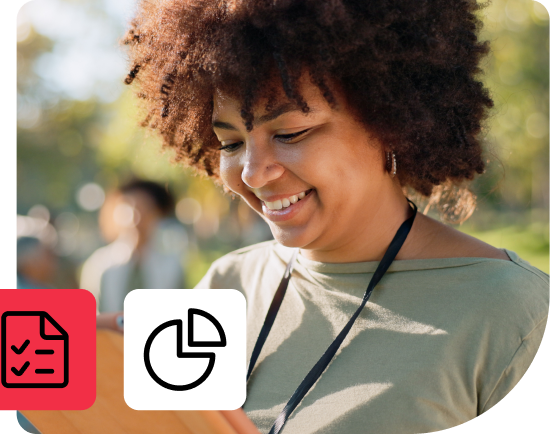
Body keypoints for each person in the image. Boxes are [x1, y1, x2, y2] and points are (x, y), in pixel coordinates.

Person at [122, 1, 549, 433]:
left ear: (391, 121)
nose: (252, 172)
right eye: (230, 143)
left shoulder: (514, 314)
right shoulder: (227, 284)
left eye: (290, 133)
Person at [80, 180, 187, 313]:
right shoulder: (99, 265)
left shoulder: (172, 268)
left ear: (157, 214)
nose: (136, 218)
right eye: (130, 209)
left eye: (145, 209)